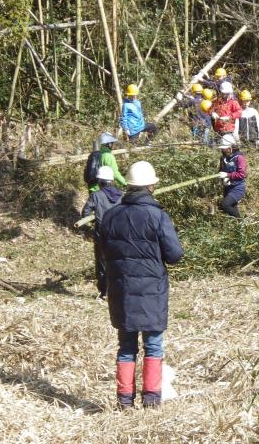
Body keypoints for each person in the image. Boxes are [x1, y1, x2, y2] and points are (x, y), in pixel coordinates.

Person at [99, 161, 184, 409]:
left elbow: (104, 253)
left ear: (128, 185)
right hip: (152, 292)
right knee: (153, 346)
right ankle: (151, 400)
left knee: (126, 348)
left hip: (121, 291)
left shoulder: (111, 215)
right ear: (151, 186)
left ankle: (124, 402)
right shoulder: (157, 215)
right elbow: (175, 254)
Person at [81, 166, 122, 298]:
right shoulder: (121, 195)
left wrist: (91, 223)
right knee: (118, 261)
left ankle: (104, 292)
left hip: (102, 234)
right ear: (111, 180)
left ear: (99, 181)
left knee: (102, 263)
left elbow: (85, 213)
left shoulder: (96, 196)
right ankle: (118, 290)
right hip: (120, 233)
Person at [217, 134, 247, 218]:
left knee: (225, 205)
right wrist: (223, 178)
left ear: (231, 147)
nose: (223, 149)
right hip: (227, 187)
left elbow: (242, 174)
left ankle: (240, 221)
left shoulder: (239, 157)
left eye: (225, 148)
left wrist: (228, 175)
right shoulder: (223, 158)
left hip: (237, 188)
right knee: (232, 207)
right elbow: (221, 170)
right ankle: (237, 225)